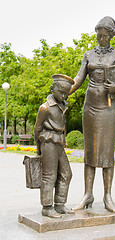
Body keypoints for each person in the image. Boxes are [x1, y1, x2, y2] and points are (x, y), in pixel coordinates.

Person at [69, 16, 115, 213]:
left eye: (105, 36)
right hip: (91, 106)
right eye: (99, 35)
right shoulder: (88, 54)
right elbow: (79, 78)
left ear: (111, 35)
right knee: (90, 151)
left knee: (106, 152)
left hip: (108, 107)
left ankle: (107, 195)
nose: (101, 39)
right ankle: (88, 194)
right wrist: (64, 93)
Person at [34, 74, 74, 218]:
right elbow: (37, 128)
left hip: (59, 142)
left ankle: (59, 204)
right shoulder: (45, 108)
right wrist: (38, 148)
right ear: (52, 89)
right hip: (48, 141)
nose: (64, 95)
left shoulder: (62, 106)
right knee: (49, 176)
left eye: (66, 93)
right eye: (61, 92)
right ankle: (47, 207)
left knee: (66, 174)